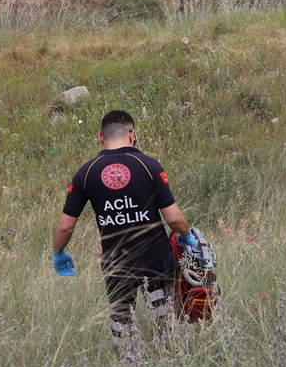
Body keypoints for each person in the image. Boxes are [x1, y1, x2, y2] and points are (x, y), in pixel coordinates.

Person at [53, 110, 196, 340]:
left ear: (100, 137)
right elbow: (173, 218)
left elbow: (65, 227)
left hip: (116, 264)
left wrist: (58, 252)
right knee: (163, 324)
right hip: (156, 261)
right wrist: (188, 236)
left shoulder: (86, 173)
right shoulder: (149, 165)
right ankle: (167, 363)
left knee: (121, 327)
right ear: (132, 134)